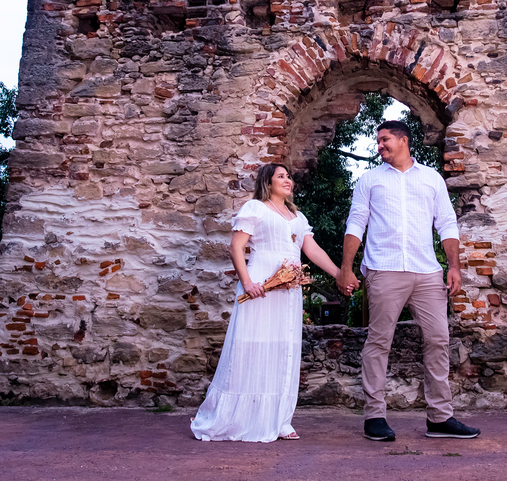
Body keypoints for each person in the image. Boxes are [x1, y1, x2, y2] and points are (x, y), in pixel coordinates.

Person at [336, 120, 481, 441]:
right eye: (377, 141)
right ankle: (374, 416)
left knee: (439, 340)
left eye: (384, 139)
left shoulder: (431, 179)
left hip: (427, 272)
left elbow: (447, 223)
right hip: (383, 270)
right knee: (379, 342)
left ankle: (440, 418)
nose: (379, 146)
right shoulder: (370, 180)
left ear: (403, 140)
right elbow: (356, 222)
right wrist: (346, 267)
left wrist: (453, 266)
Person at [191, 163, 342, 442]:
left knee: (284, 349)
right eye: (280, 176)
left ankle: (280, 419)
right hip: (261, 284)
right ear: (267, 182)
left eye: (288, 176)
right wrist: (248, 282)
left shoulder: (297, 215)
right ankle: (240, 416)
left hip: (288, 290)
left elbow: (311, 249)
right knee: (251, 347)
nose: (287, 180)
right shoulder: (255, 208)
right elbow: (236, 247)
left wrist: (338, 273)